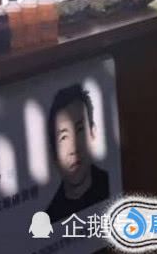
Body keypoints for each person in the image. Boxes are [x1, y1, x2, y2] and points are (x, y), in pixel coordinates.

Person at [45, 84, 110, 223]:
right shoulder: (49, 218)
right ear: (53, 153)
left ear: (93, 133)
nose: (73, 149)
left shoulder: (112, 185)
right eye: (63, 137)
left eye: (80, 130)